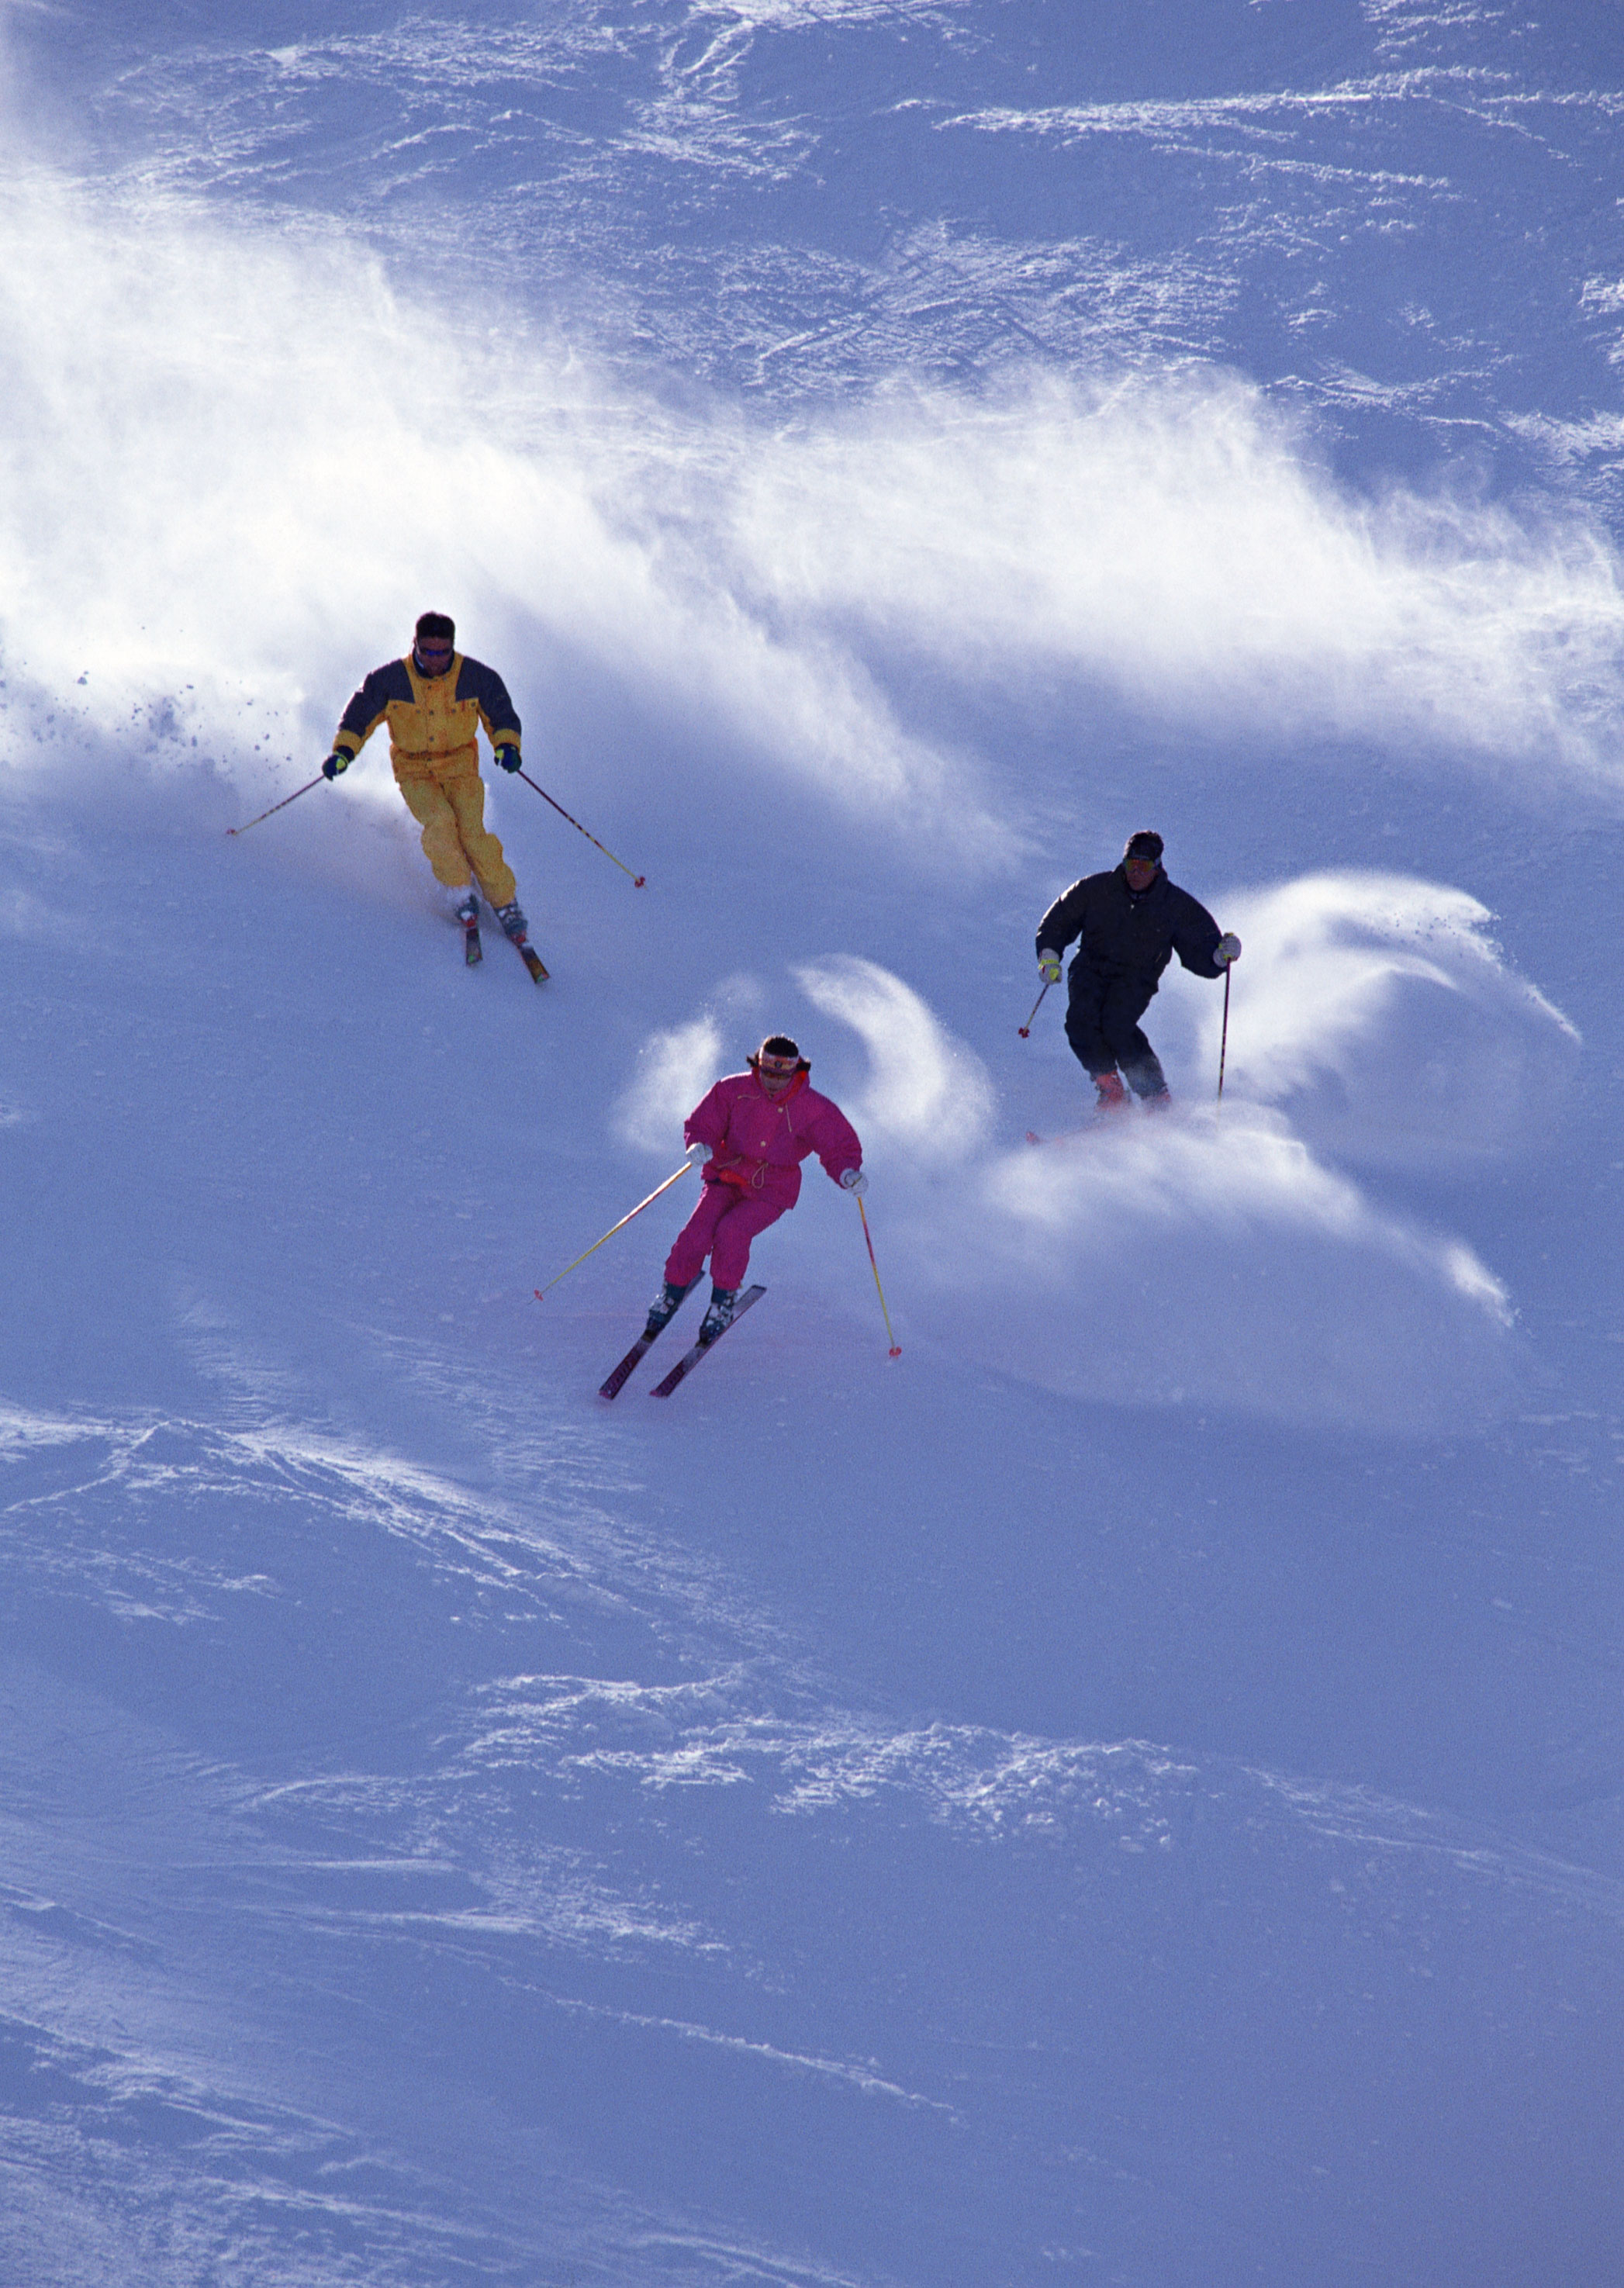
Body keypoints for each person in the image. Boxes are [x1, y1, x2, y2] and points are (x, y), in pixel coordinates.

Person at [322, 612, 534, 949]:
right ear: (415, 645)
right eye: (428, 652)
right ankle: (459, 892)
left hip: (461, 767)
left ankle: (505, 902)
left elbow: (501, 714)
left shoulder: (476, 677)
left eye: (442, 652)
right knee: (440, 823)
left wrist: (507, 746)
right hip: (415, 770)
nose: (436, 660)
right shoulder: (390, 681)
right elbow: (360, 716)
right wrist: (343, 752)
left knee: (472, 833)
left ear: (452, 647)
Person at [649, 1036, 866, 1343]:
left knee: (732, 1232)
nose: (774, 1082)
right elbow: (703, 1124)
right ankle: (671, 1291)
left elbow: (838, 1144)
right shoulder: (732, 1090)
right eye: (768, 1074)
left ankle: (722, 1302)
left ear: (795, 1072)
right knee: (697, 1232)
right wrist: (700, 1145)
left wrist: (847, 1172)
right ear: (758, 1067)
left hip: (771, 1189)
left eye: (782, 1076)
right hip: (726, 1176)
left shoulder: (812, 1107)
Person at [1035, 830, 1240, 1111]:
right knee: (1080, 1021)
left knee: (1116, 1025)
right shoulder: (1098, 889)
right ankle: (1111, 1090)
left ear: (1157, 867)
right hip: (1090, 968)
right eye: (1131, 865)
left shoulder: (1173, 906)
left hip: (1136, 978)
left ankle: (1154, 1094)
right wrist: (1049, 956)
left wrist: (1219, 956)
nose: (1136, 873)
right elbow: (1060, 918)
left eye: (1143, 866)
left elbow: (1201, 949)